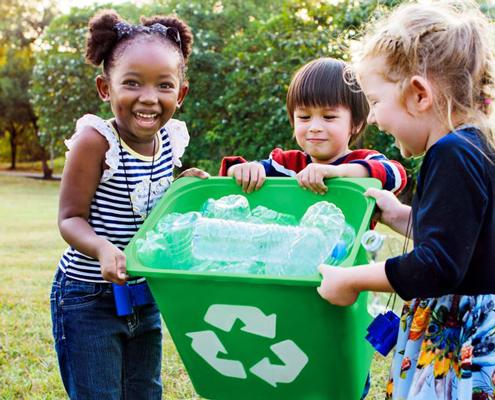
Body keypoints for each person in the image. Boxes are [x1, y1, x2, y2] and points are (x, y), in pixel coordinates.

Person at [317, 1, 495, 399]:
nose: (375, 118)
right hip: (492, 328)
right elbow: (460, 240)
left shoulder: (449, 152)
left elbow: (438, 266)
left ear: (419, 95)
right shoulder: (474, 143)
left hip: (468, 340)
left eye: (377, 103)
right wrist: (400, 215)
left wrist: (352, 280)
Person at [50, 10, 208, 399]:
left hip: (144, 294)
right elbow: (70, 218)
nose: (148, 98)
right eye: (132, 83)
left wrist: (182, 187)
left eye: (164, 85)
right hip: (88, 297)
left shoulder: (171, 139)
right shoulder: (95, 141)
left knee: (144, 392)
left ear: (180, 94)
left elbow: (151, 199)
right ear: (106, 88)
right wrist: (103, 247)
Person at [219, 57, 407, 196]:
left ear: (356, 124)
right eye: (304, 117)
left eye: (329, 116)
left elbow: (396, 175)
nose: (315, 127)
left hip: (350, 250)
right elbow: (231, 173)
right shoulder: (286, 166)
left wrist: (337, 172)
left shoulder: (363, 160)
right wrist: (242, 170)